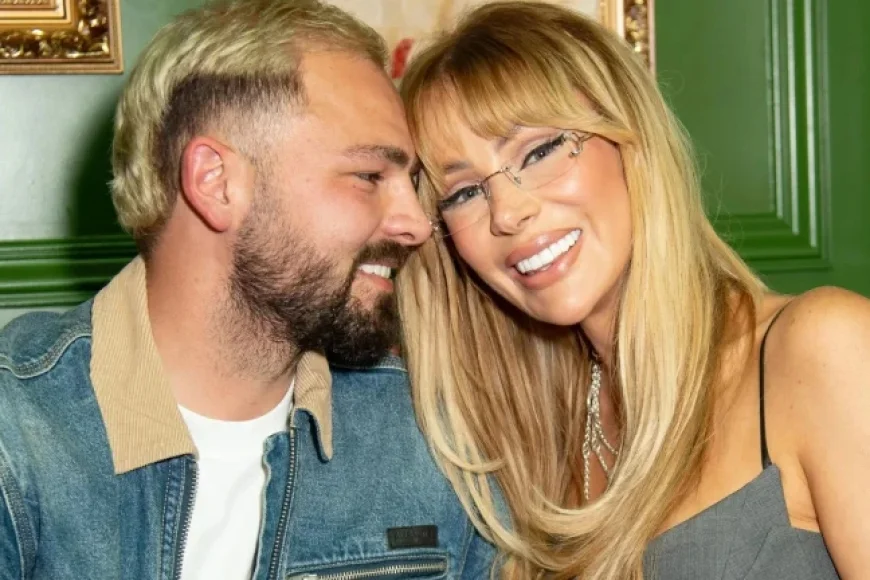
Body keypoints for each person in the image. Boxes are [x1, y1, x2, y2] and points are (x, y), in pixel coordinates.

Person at [0, 1, 495, 578]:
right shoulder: (19, 432)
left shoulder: (434, 436)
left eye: (409, 182)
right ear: (216, 182)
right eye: (368, 176)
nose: (416, 224)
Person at [396, 2, 870, 578]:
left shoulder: (824, 349)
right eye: (465, 193)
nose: (508, 212)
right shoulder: (533, 437)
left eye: (540, 151)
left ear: (631, 138)